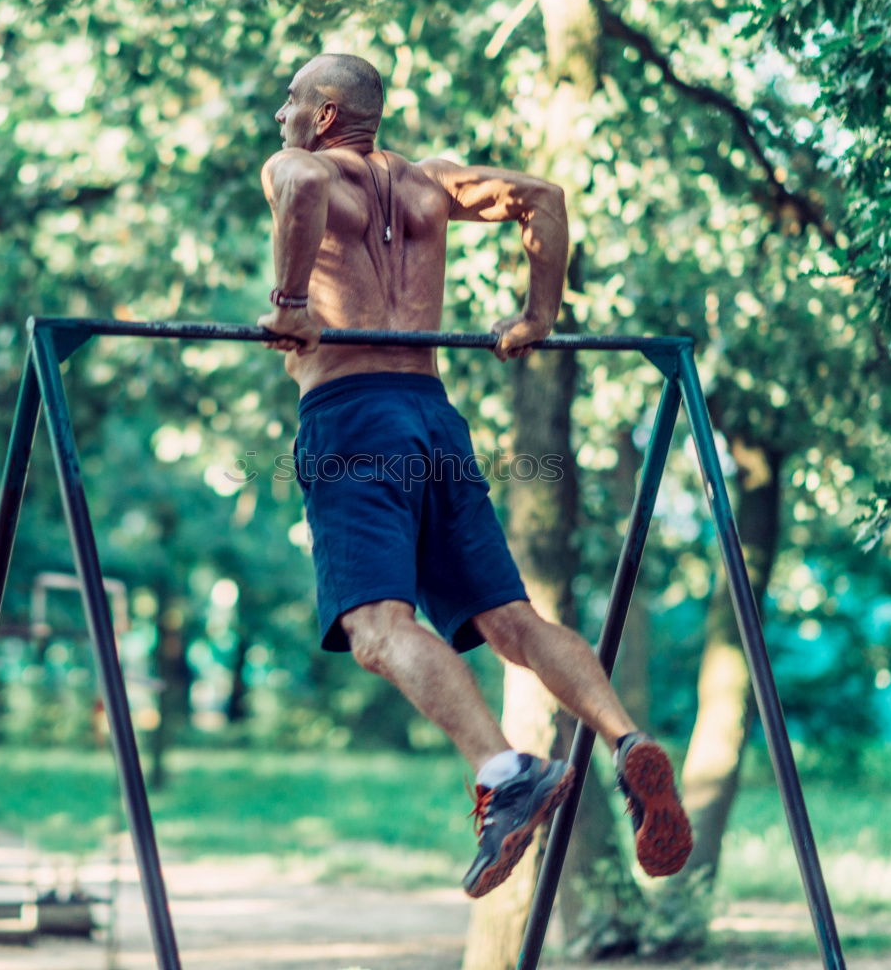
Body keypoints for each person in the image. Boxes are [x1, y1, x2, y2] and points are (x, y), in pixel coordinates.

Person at [257, 53, 692, 898]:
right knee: (511, 621)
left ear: (324, 114)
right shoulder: (432, 183)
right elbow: (544, 199)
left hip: (351, 415)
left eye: (292, 100)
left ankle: (504, 771)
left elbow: (302, 188)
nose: (281, 114)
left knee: (376, 628)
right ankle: (624, 740)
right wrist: (539, 316)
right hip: (432, 415)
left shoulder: (295, 165)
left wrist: (289, 300)